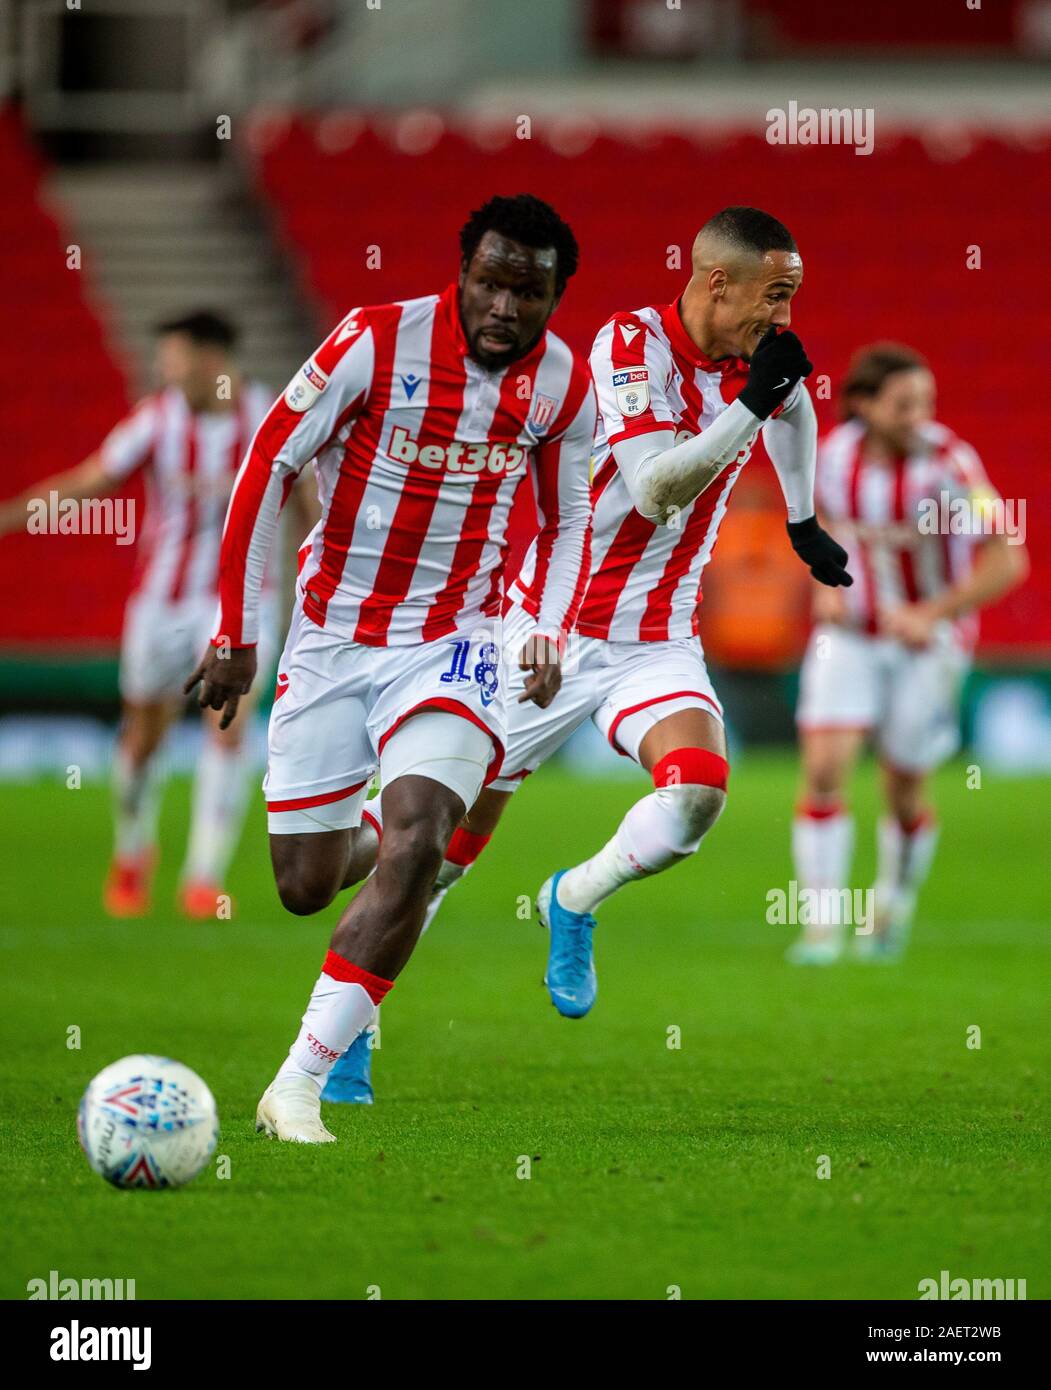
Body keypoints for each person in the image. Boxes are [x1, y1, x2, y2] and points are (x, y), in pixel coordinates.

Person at [324, 204, 852, 1103]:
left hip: (656, 639)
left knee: (695, 794)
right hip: (542, 633)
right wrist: (754, 403)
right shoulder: (625, 347)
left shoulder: (757, 369)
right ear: (716, 281)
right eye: (775, 295)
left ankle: (572, 897)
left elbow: (794, 409)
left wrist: (801, 520)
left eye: (793, 298)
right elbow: (653, 488)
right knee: (436, 851)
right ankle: (345, 1037)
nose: (784, 318)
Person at [186, 194, 596, 1142]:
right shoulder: (372, 341)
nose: (504, 306)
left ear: (552, 295)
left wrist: (545, 625)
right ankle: (391, 826)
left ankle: (297, 1085)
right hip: (331, 638)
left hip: (455, 642)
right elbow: (266, 466)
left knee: (420, 846)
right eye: (490, 282)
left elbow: (569, 518)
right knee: (302, 883)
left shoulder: (564, 388)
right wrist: (238, 633)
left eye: (527, 291)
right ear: (462, 272)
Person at [0, 310, 285, 918]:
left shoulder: (268, 417)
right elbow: (91, 481)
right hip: (162, 599)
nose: (164, 369)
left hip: (242, 598)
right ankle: (133, 850)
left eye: (174, 357)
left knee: (228, 724)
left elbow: (311, 499)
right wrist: (14, 515)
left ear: (211, 360)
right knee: (143, 735)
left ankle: (203, 877)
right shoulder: (158, 420)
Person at [788, 342, 1028, 963]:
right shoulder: (832, 457)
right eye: (903, 404)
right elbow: (820, 531)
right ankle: (821, 928)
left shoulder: (950, 465)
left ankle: (891, 905)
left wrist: (932, 612)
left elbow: (1009, 557)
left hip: (929, 645)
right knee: (822, 771)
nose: (919, 415)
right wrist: (823, 585)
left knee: (902, 787)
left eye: (926, 401)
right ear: (863, 405)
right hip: (850, 638)